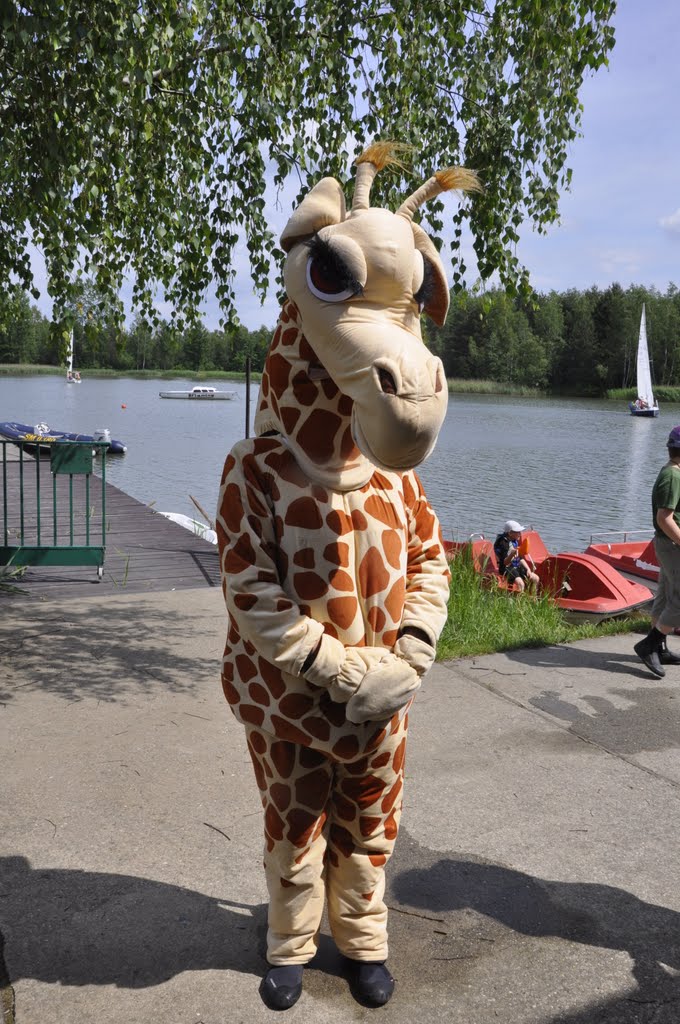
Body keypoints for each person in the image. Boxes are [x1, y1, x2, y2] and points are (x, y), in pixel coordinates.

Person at [633, 426, 680, 676]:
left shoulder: (672, 472)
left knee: (663, 595)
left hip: (668, 544)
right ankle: (649, 645)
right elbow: (664, 518)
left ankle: (658, 649)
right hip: (672, 545)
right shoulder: (672, 476)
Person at [493, 520, 540, 593]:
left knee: (536, 578)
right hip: (506, 567)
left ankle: (533, 597)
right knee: (520, 583)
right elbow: (505, 563)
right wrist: (512, 554)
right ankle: (519, 599)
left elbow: (520, 558)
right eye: (517, 532)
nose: (520, 534)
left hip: (516, 566)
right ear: (510, 533)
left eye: (520, 532)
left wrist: (528, 569)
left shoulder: (514, 541)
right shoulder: (503, 543)